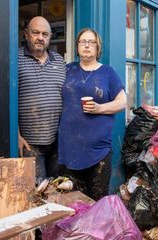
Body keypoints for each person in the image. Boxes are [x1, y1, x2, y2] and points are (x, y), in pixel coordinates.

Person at [58, 28, 127, 200]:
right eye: (83, 42)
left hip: (98, 150)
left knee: (98, 200)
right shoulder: (67, 70)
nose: (87, 45)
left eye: (91, 42)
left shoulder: (107, 73)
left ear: (98, 47)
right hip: (70, 148)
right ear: (77, 46)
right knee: (76, 201)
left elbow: (122, 102)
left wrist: (99, 108)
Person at [18, 16, 66, 182]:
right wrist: (16, 135)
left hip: (58, 141)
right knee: (37, 190)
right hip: (30, 143)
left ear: (50, 37)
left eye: (45, 34)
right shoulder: (15, 59)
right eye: (35, 32)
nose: (40, 37)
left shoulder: (59, 61)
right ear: (26, 34)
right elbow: (7, 101)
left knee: (57, 187)